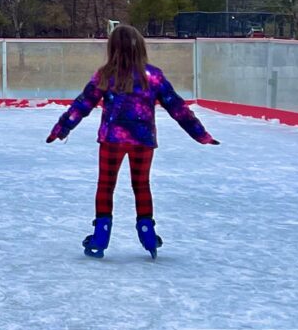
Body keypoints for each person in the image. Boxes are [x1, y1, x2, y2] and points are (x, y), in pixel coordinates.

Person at [46, 24, 219, 259]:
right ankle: (147, 232)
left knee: (106, 186)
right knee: (141, 185)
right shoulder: (153, 76)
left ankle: (100, 235)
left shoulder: (105, 75)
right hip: (143, 140)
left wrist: (62, 128)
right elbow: (177, 108)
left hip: (112, 140)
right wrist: (201, 134)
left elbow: (83, 104)